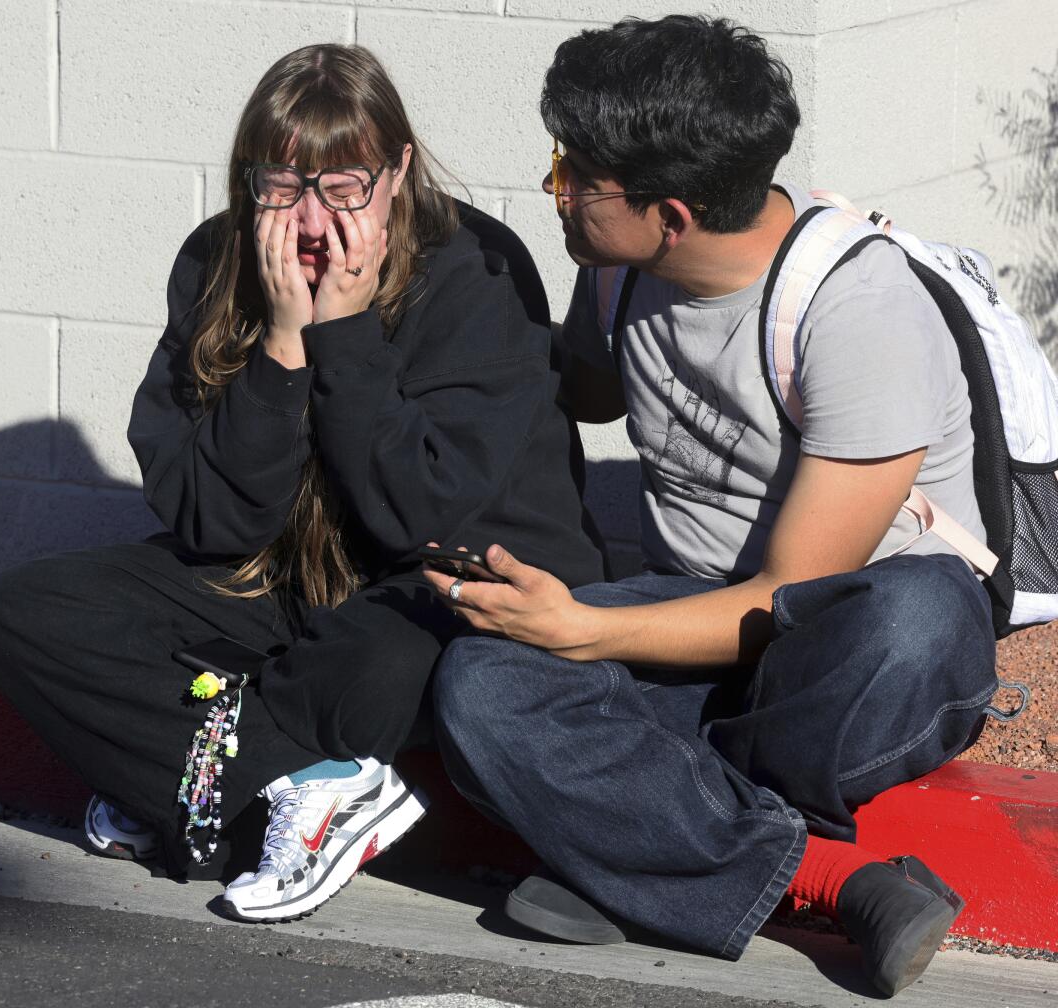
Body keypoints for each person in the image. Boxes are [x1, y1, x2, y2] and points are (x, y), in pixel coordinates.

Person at [425, 15, 996, 997]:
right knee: (481, 681)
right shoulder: (616, 266)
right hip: (689, 612)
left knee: (912, 621)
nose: (554, 188)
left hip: (835, 641)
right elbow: (586, 389)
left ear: (673, 215)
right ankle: (829, 875)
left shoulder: (858, 310)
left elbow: (786, 598)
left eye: (575, 177)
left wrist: (578, 634)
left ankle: (644, 850)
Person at [0, 42, 605, 925]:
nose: (311, 221)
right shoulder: (217, 261)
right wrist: (279, 345)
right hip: (280, 581)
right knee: (25, 610)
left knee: (374, 663)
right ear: (248, 179)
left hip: (446, 582)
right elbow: (212, 523)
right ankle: (253, 796)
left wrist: (344, 336)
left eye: (345, 187)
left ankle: (188, 790)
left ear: (400, 173)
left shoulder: (475, 269)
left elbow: (422, 514)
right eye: (281, 187)